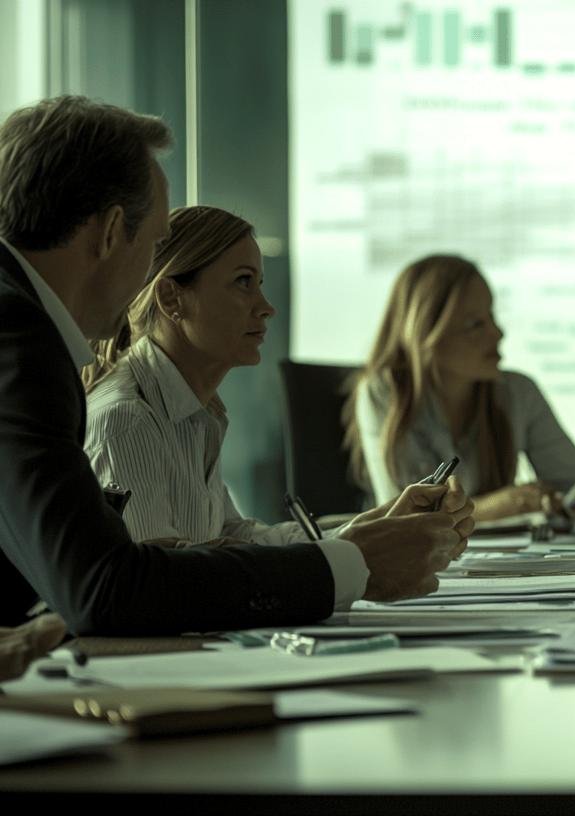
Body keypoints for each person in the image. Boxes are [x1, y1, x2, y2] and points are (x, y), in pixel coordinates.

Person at [0, 96, 466, 635]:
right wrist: (356, 565)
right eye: (152, 247)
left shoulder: (23, 330)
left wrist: (366, 539)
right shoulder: (21, 345)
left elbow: (203, 545)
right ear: (108, 234)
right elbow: (109, 589)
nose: (145, 283)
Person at [80, 205, 472, 551]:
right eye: (243, 282)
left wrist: (379, 525)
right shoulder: (128, 421)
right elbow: (159, 586)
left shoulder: (195, 412)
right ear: (171, 299)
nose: (267, 308)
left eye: (260, 284)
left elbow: (237, 538)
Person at [345, 254, 575, 523]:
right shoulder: (384, 393)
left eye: (491, 316)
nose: (497, 333)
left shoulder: (518, 393)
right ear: (425, 334)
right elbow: (403, 519)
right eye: (474, 324)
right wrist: (509, 503)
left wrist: (564, 502)